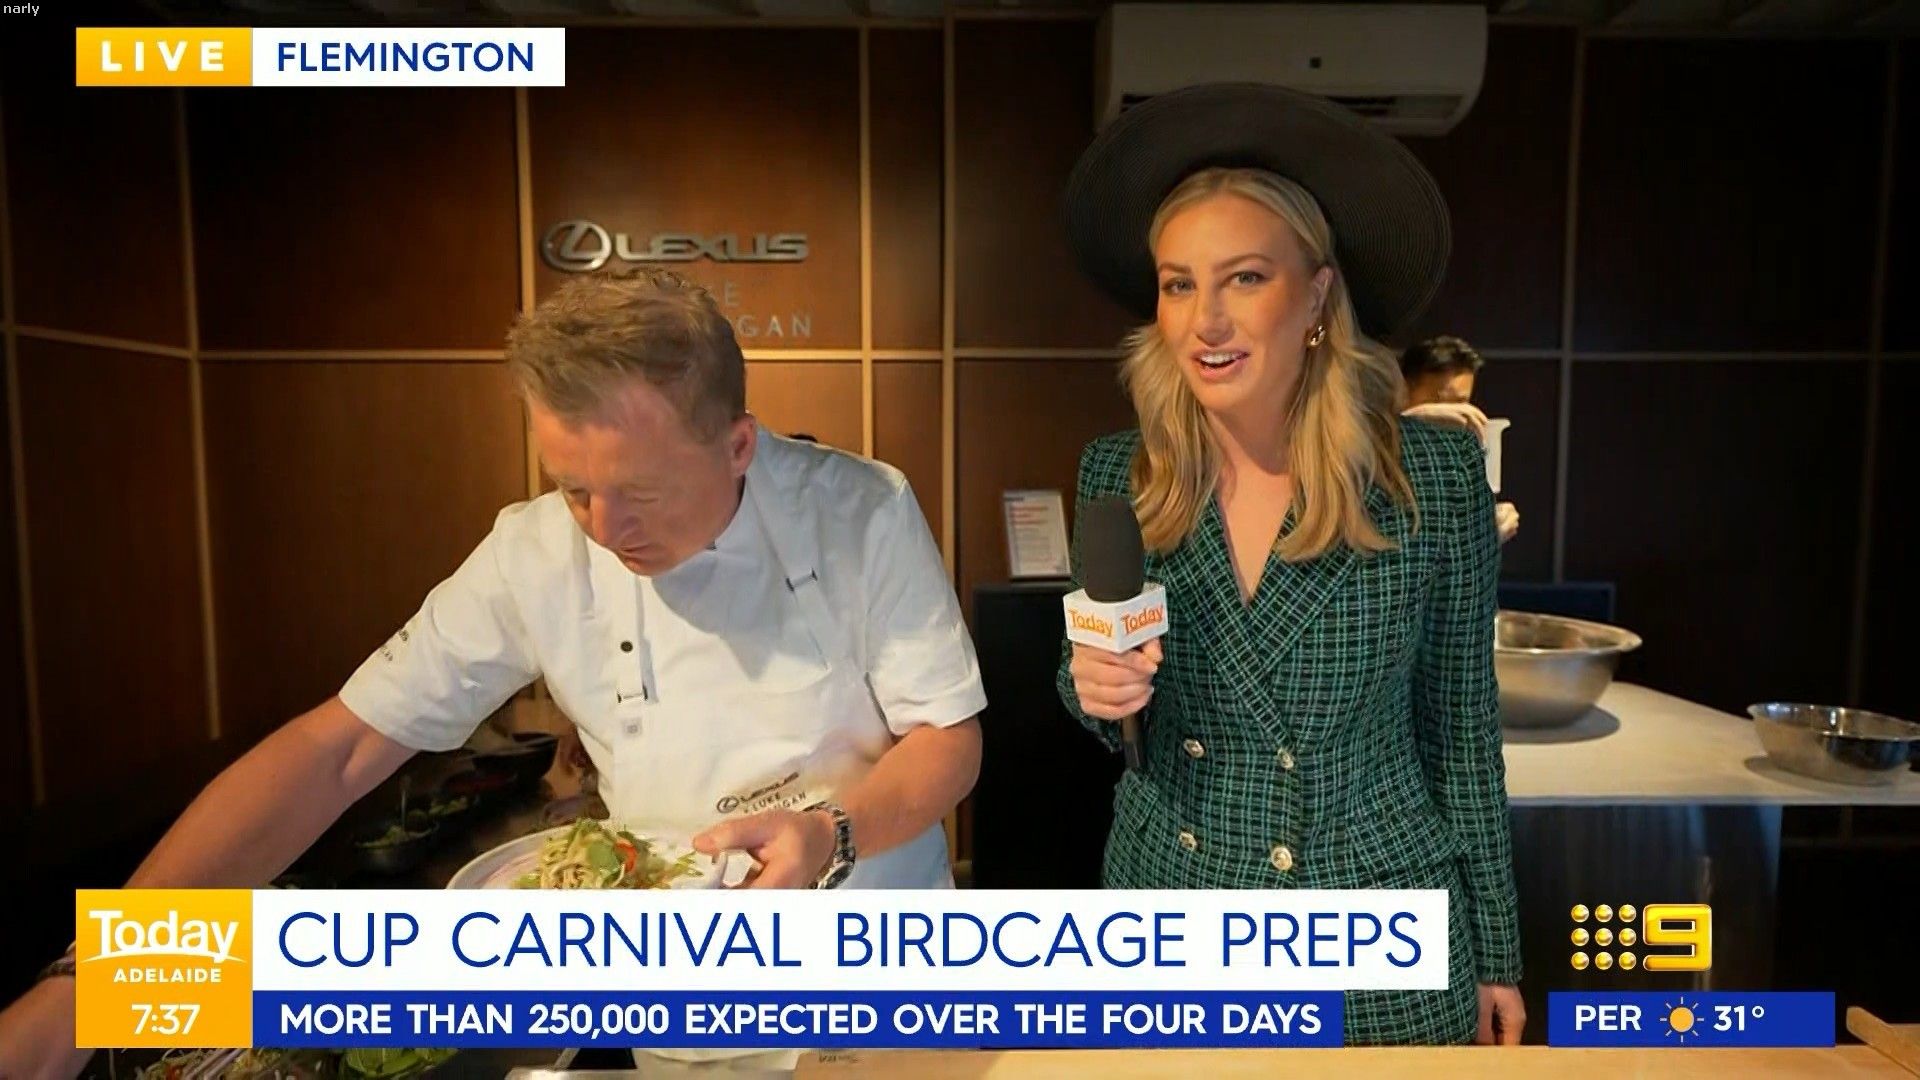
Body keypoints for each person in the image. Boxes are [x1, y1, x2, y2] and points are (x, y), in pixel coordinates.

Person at [0, 269, 986, 1078]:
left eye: (639, 492)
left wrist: (830, 831)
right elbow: (340, 749)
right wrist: (99, 975)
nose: (605, 529)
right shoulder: (532, 553)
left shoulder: (860, 512)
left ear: (738, 446)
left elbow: (949, 739)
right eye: (574, 489)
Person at [1056, 84, 1524, 1046]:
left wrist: (1496, 951)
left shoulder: (1432, 477)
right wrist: (1090, 685)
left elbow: (1464, 735)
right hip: (1172, 909)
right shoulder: (1120, 473)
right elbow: (1107, 696)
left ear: (1315, 294)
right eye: (1178, 284)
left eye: (1244, 279)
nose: (1205, 321)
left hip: (1379, 931)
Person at [1400, 335, 1519, 544]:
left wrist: (1489, 534)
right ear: (1403, 392)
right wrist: (1414, 419)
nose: (1452, 414)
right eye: (1438, 403)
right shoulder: (1377, 449)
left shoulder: (1465, 453)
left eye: (1461, 403)